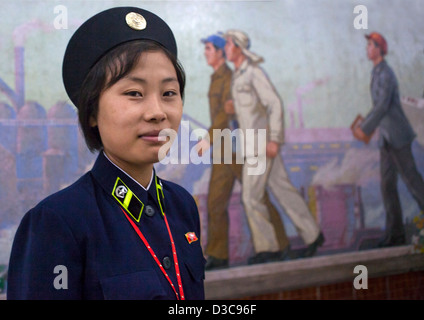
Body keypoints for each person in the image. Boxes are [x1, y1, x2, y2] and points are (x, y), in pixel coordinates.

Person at [7, 7, 205, 300]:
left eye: (169, 93)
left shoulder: (182, 206)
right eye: (134, 93)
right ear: (92, 113)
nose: (157, 112)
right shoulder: (57, 222)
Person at [223, 30, 324, 264]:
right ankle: (313, 234)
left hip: (260, 146)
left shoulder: (253, 73)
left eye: (228, 43)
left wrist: (275, 139)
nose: (225, 47)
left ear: (238, 47)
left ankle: (268, 248)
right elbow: (253, 111)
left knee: (250, 198)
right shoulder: (238, 76)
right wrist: (234, 110)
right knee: (284, 191)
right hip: (255, 144)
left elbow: (274, 103)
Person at [197, 34, 290, 269]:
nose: (205, 52)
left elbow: (224, 115)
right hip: (224, 150)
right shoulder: (217, 78)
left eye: (209, 48)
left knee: (257, 198)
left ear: (220, 52)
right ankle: (218, 255)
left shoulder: (230, 78)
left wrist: (207, 139)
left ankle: (280, 244)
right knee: (216, 203)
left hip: (237, 149)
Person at [353, 32, 424, 247]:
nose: (367, 49)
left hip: (397, 137)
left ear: (379, 49)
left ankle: (397, 234)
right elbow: (379, 107)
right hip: (386, 138)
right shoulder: (377, 72)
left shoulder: (386, 73)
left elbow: (383, 106)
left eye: (370, 45)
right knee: (387, 185)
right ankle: (396, 235)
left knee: (413, 182)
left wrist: (364, 128)